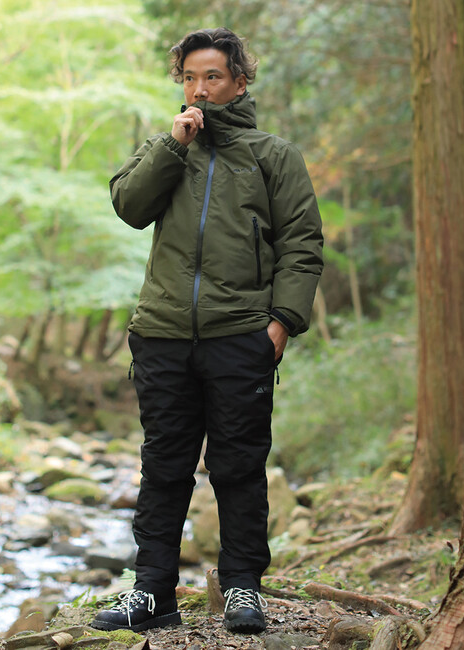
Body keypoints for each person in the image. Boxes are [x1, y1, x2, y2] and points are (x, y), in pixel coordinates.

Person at [91, 27, 323, 635]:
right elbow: (129, 206)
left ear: (239, 83)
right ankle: (151, 592)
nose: (199, 89)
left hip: (240, 336)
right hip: (162, 334)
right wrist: (173, 145)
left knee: (238, 467)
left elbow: (302, 246)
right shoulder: (165, 148)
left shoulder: (274, 157)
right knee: (163, 466)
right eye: (190, 77)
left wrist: (281, 323)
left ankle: (243, 588)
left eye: (212, 77)